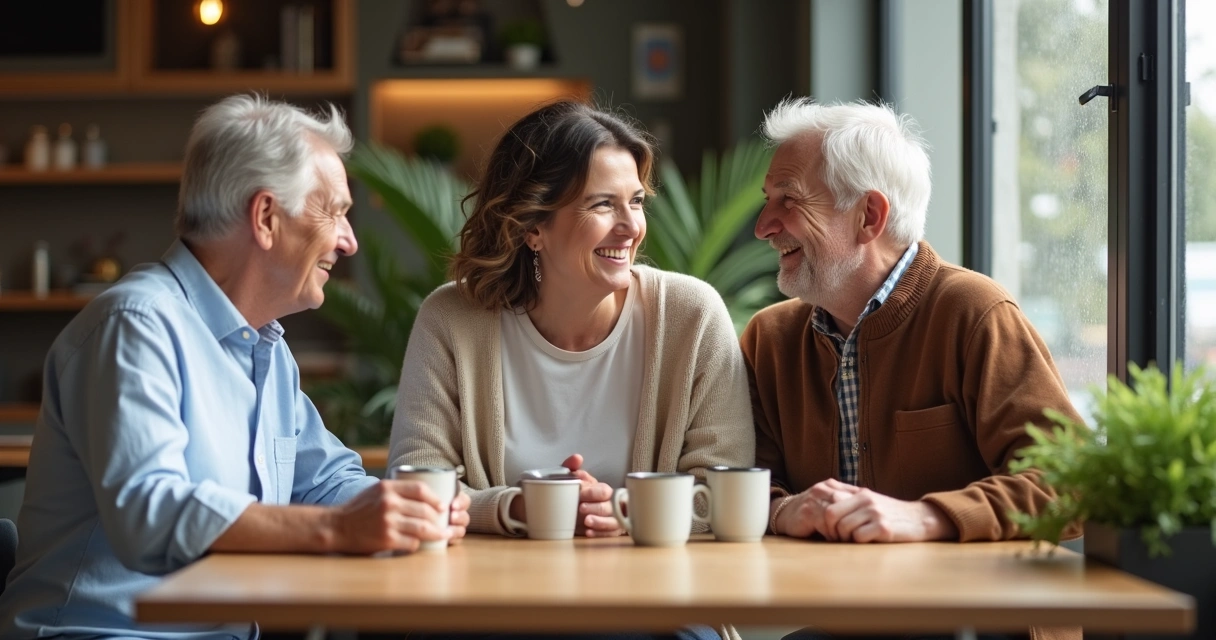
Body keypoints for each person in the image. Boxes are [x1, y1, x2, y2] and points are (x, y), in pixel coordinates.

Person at [0, 94, 470, 640]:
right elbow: (151, 513)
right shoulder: (133, 325)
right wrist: (341, 529)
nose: (349, 240)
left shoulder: (265, 347)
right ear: (266, 217)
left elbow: (324, 481)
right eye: (335, 211)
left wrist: (412, 510)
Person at [740, 98, 1081, 640]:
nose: (764, 226)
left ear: (869, 216)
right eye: (768, 201)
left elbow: (1072, 482)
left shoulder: (975, 311)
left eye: (789, 201)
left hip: (987, 621)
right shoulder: (770, 339)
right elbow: (741, 483)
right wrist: (786, 510)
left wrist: (926, 518)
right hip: (852, 625)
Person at [388, 100, 754, 542]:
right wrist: (521, 507)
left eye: (635, 202)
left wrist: (623, 511)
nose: (631, 227)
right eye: (602, 205)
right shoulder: (451, 320)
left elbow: (727, 491)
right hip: (492, 596)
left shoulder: (692, 316)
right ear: (532, 227)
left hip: (656, 600)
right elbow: (416, 489)